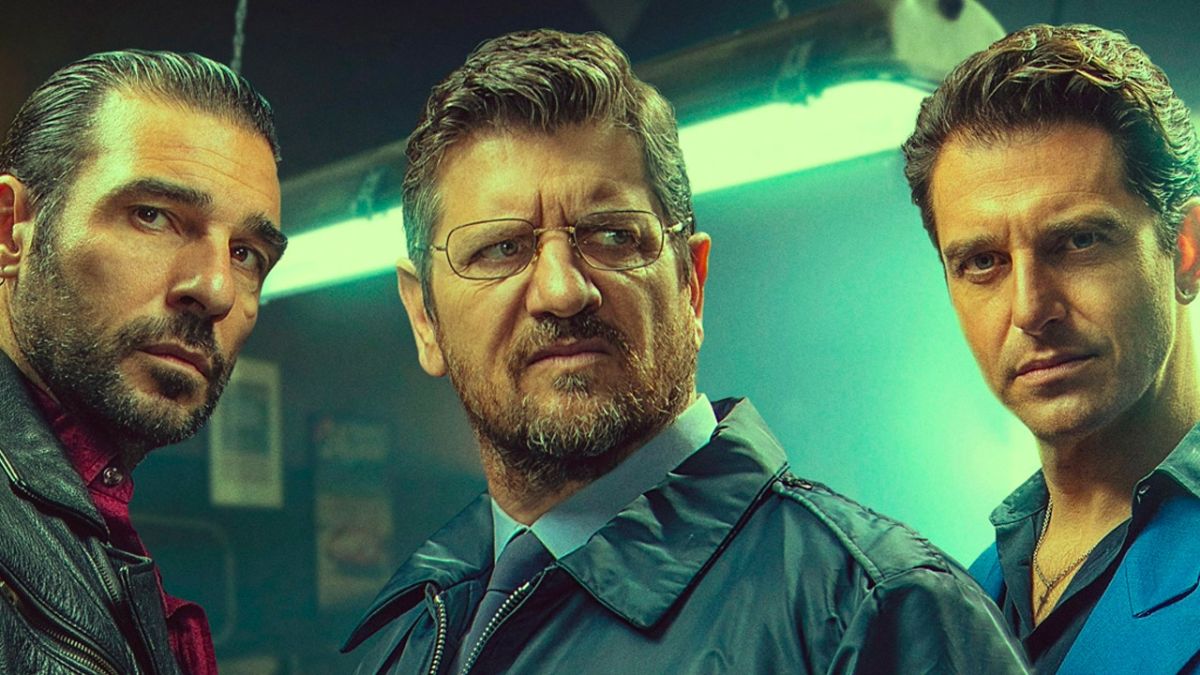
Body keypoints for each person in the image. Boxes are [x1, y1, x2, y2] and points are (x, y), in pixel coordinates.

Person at [343, 28, 1026, 674]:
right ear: (424, 317)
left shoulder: (876, 615)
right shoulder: (410, 633)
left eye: (614, 236)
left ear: (691, 285)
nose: (561, 290)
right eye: (500, 248)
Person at [903, 23, 1200, 673]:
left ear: (1186, 250)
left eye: (1078, 241)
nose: (1031, 309)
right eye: (983, 261)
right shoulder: (963, 597)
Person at [0, 50, 287, 674]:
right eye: (153, 217)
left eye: (246, 253)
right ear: (11, 229)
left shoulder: (92, 525)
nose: (216, 289)